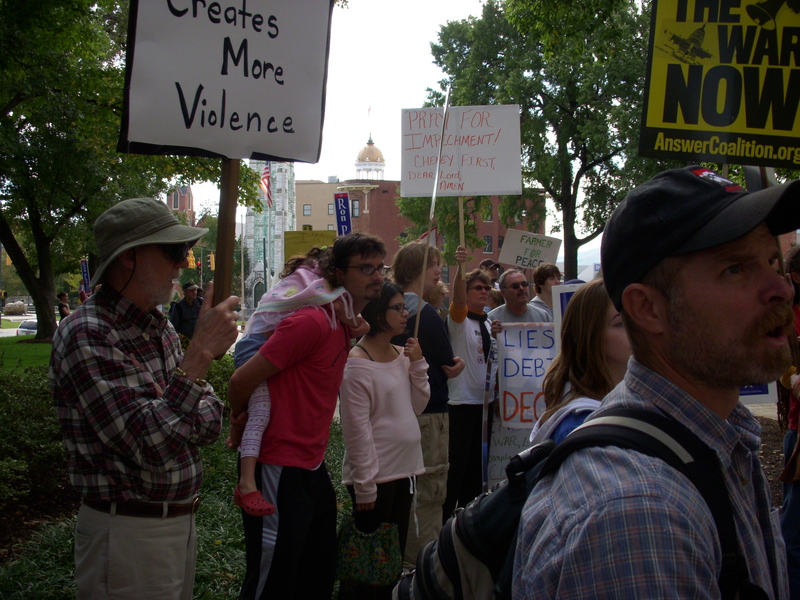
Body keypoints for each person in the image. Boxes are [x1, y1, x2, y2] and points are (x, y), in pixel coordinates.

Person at [514, 165, 798, 598]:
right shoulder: (639, 513)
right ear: (648, 309)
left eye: (773, 262)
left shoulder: (721, 441)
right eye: (736, 269)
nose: (782, 289)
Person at [49, 197, 240, 600]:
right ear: (128, 258)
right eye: (174, 251)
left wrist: (173, 397)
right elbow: (150, 443)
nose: (183, 263)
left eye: (185, 251)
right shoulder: (88, 332)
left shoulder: (158, 327)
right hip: (126, 535)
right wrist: (198, 358)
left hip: (174, 526)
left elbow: (209, 421)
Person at [228, 232, 386, 600]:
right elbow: (240, 380)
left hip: (312, 467)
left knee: (316, 574)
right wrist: (241, 417)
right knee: (273, 579)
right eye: (365, 268)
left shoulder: (344, 324)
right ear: (338, 273)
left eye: (380, 267)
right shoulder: (310, 322)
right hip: (277, 465)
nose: (377, 276)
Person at [229, 248, 368, 517]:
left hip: (255, 342)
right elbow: (353, 320)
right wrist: (360, 325)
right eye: (366, 269)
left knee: (257, 411)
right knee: (259, 413)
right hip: (254, 347)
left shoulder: (303, 285)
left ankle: (238, 428)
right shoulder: (322, 292)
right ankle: (246, 483)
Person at [339, 281, 431, 598]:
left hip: (403, 473)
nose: (406, 313)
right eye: (397, 307)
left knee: (390, 564)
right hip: (376, 479)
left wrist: (418, 363)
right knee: (367, 569)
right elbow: (356, 430)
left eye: (404, 307)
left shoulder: (400, 354)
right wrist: (365, 485)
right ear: (378, 313)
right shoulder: (357, 363)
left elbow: (417, 405)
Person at [389, 241, 465, 565]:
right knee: (430, 492)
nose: (438, 271)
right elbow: (449, 364)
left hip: (397, 412)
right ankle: (422, 568)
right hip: (430, 413)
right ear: (415, 270)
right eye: (433, 265)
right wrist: (457, 363)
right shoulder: (425, 314)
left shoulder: (388, 311)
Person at [528, 279, 630, 445]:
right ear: (591, 336)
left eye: (634, 319)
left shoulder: (622, 401)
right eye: (620, 323)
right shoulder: (582, 424)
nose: (634, 330)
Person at [443, 247, 497, 520]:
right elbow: (457, 300)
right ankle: (445, 522)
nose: (485, 291)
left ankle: (471, 519)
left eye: (488, 287)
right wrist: (460, 269)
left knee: (478, 470)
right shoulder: (459, 320)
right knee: (457, 470)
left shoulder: (487, 324)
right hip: (462, 403)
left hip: (485, 406)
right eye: (478, 287)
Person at [780, 244, 800, 598]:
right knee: (795, 531)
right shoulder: (785, 315)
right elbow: (780, 364)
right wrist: (793, 377)